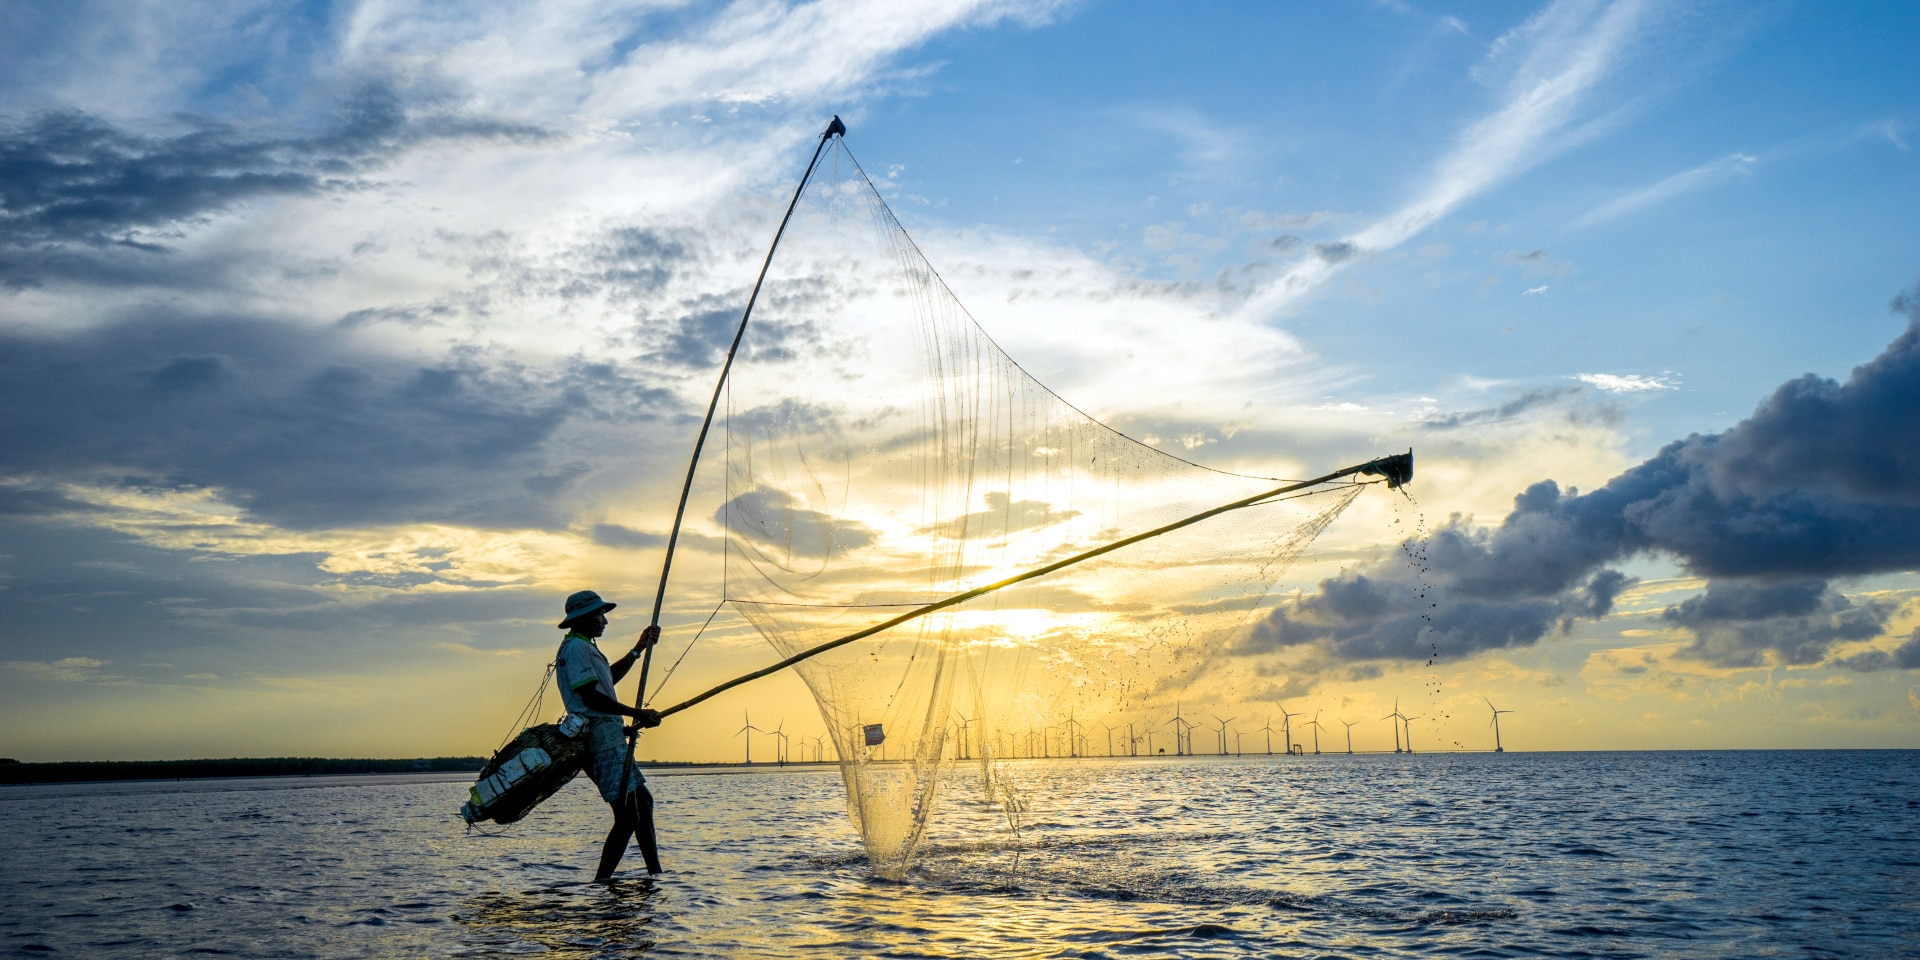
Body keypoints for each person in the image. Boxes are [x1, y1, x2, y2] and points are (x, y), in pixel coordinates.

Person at [554, 589, 664, 880]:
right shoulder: (575, 649)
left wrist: (638, 649)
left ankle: (655, 874)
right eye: (599, 615)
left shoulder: (584, 647)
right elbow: (590, 697)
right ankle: (601, 882)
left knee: (643, 804)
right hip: (600, 743)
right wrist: (638, 714)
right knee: (628, 817)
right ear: (584, 619)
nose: (604, 621)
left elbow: (607, 680)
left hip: (610, 738)